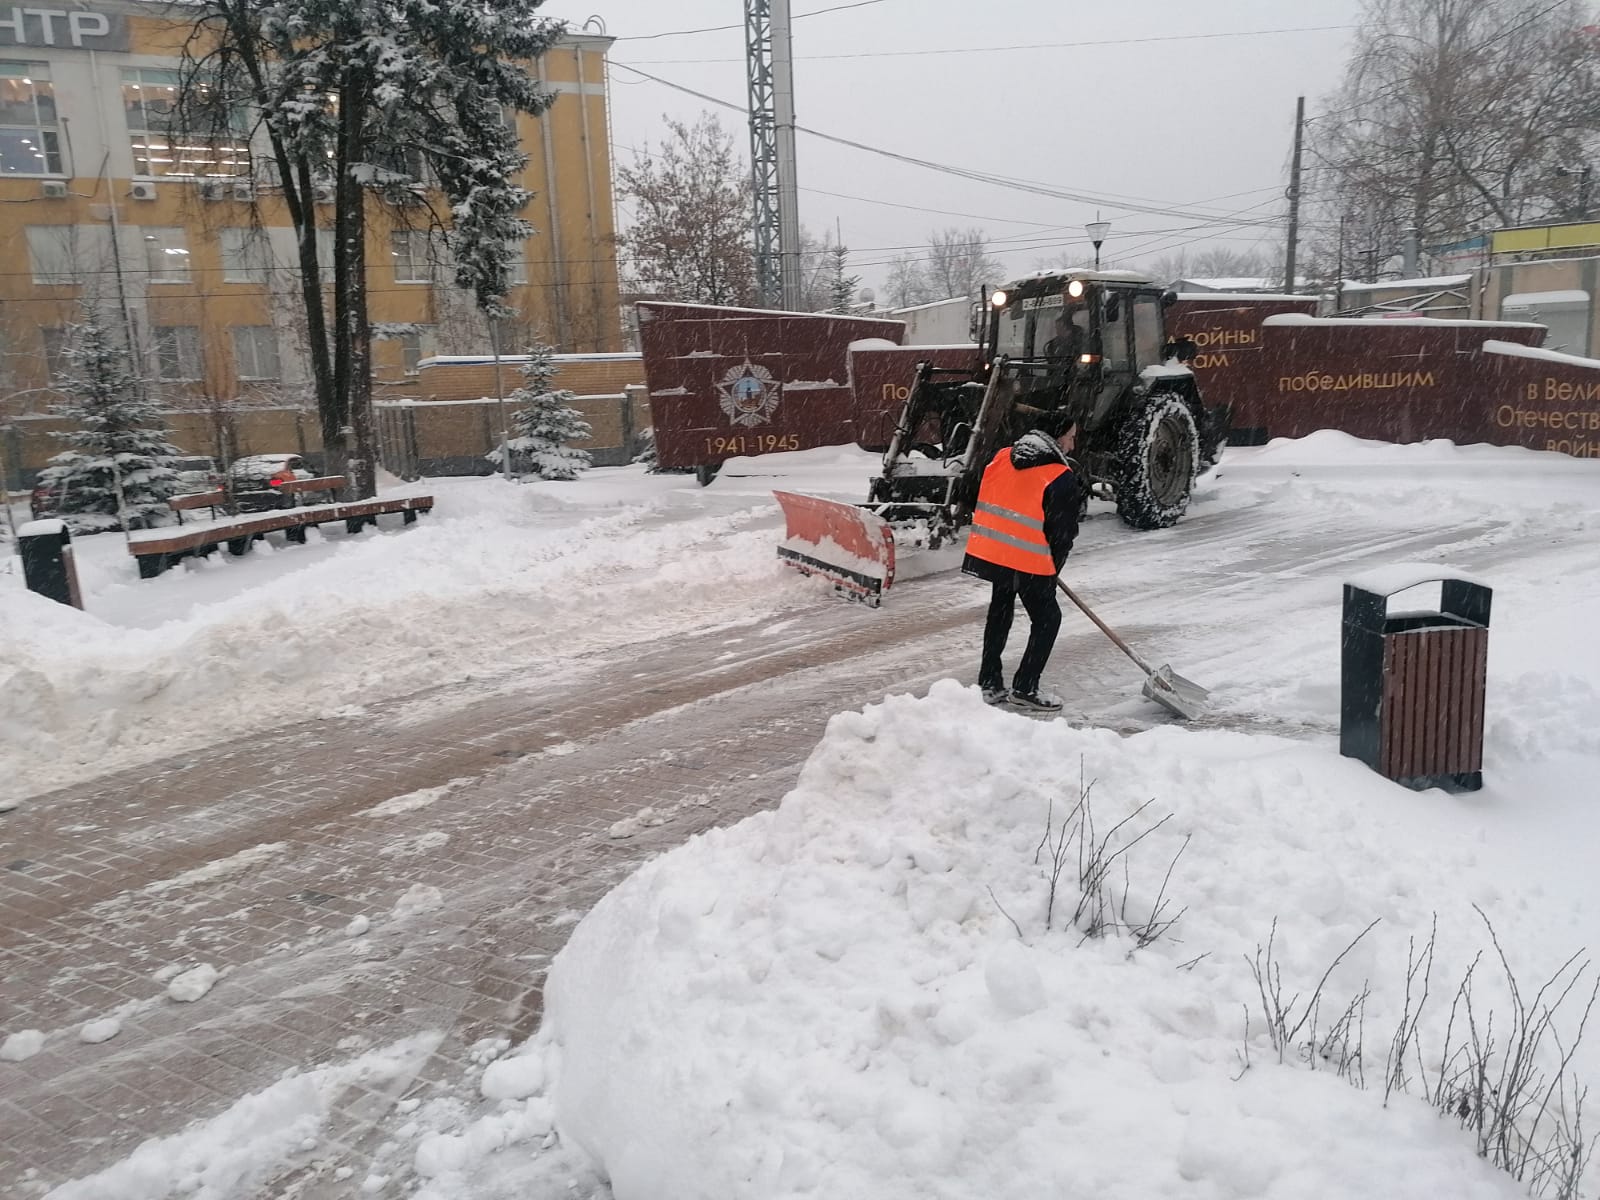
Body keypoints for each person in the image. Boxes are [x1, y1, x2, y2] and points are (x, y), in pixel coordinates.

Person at [962, 412, 1082, 712]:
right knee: (1048, 620)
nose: (1073, 444)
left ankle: (989, 682)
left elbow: (978, 490)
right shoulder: (1059, 476)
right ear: (1056, 439)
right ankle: (1025, 687)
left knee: (1000, 613)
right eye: (1070, 437)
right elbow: (1063, 534)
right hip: (1029, 561)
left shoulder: (1002, 456)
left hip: (993, 553)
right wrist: (1051, 570)